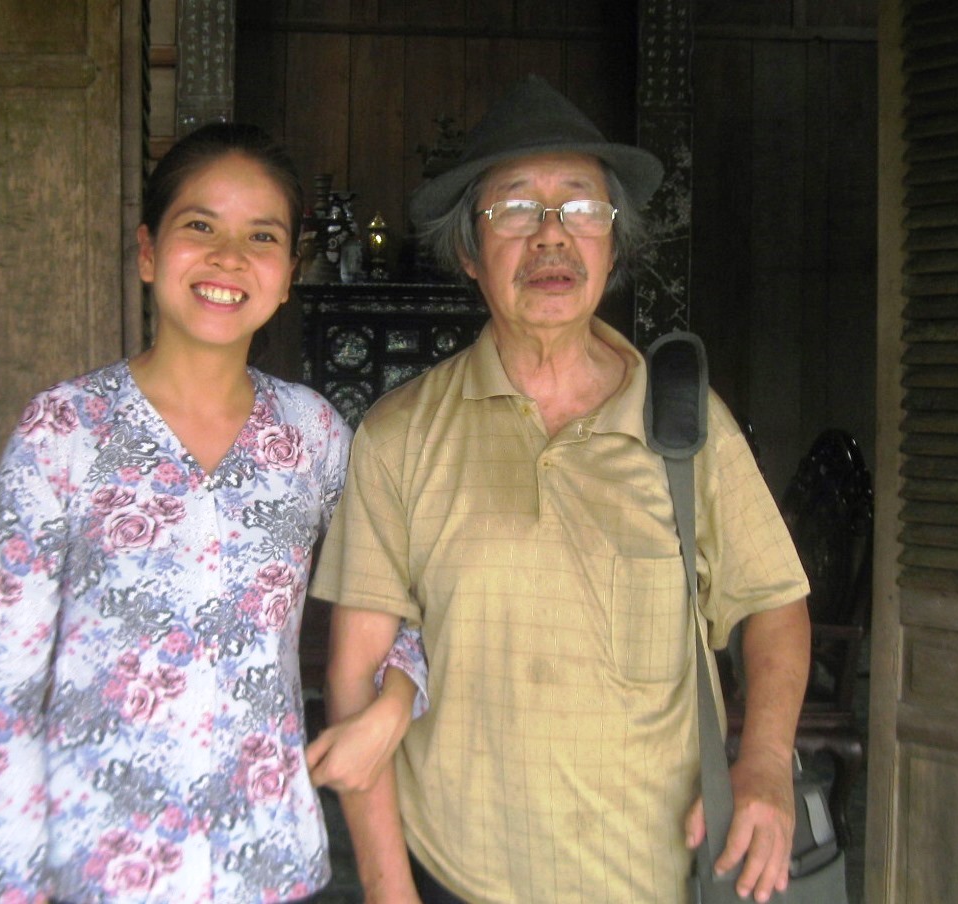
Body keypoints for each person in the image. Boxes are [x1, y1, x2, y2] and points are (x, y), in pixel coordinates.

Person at [311, 75, 812, 904]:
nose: (551, 235)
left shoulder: (686, 426)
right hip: (457, 874)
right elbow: (355, 677)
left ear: (613, 246)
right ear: (469, 251)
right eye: (515, 209)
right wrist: (391, 892)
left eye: (581, 208)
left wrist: (763, 761)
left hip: (657, 878)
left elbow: (773, 603)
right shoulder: (399, 435)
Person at [0, 122, 427, 904]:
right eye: (200, 226)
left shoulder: (313, 435)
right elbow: (5, 695)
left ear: (287, 277)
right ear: (149, 252)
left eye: (262, 236)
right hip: (103, 870)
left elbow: (412, 584)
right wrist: (20, 889)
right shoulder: (65, 430)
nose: (229, 257)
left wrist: (393, 704)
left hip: (268, 860)